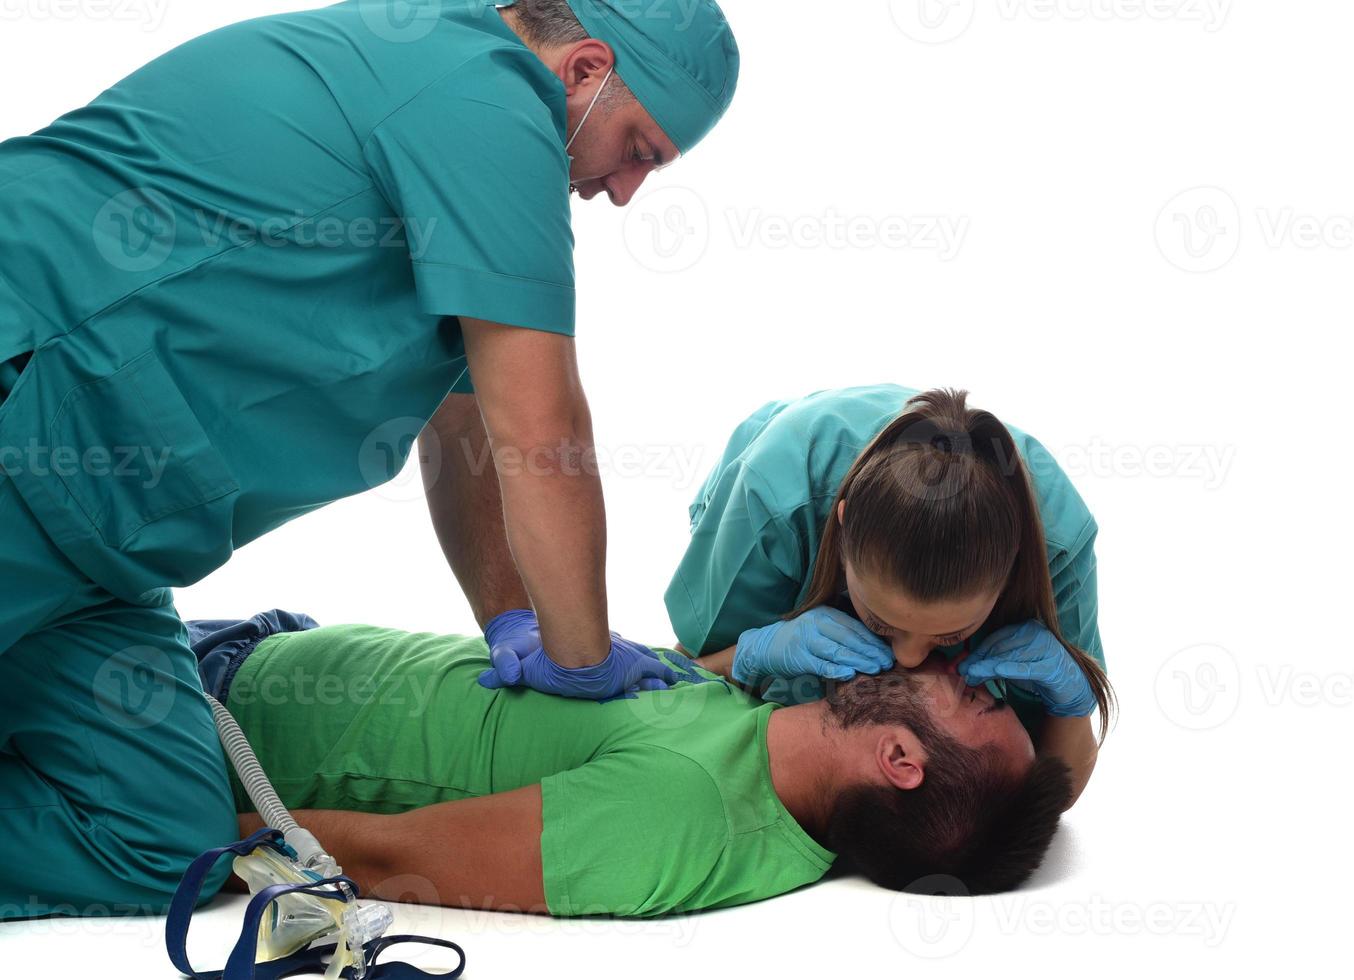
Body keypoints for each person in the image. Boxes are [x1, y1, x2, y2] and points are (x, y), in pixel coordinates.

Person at [0, 0, 739, 918]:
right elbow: (543, 434)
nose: (626, 190)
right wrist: (584, 659)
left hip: (101, 547)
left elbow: (470, 427)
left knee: (160, 837)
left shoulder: (461, 140)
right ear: (586, 70)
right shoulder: (486, 100)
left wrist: (518, 624)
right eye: (640, 149)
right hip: (24, 415)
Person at [185, 613, 1073, 916]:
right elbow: (641, 704)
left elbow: (382, 859)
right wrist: (745, 653)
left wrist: (177, 837)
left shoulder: (681, 813)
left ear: (899, 759)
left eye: (977, 699)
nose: (959, 665)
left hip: (199, 718)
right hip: (268, 643)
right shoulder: (770, 734)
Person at [665, 386, 1117, 807]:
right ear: (840, 534)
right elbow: (678, 684)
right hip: (781, 463)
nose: (911, 657)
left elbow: (1037, 798)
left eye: (952, 634)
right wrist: (748, 653)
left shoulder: (1059, 543)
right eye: (881, 623)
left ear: (1013, 567)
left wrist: (1072, 710)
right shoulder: (774, 500)